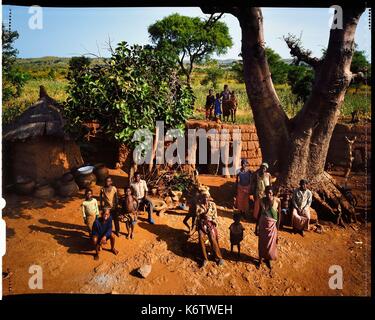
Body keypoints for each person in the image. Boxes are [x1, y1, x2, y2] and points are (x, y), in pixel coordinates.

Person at [196, 191, 224, 267]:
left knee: (212, 237)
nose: (205, 199)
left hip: (211, 223)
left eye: (207, 197)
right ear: (201, 198)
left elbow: (215, 216)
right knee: (201, 238)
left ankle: (218, 257)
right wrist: (201, 224)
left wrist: (213, 223)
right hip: (202, 224)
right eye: (204, 197)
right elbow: (198, 216)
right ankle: (205, 258)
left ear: (209, 198)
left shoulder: (213, 205)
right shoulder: (198, 205)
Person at [257, 186, 281, 270]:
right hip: (263, 223)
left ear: (273, 193)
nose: (268, 195)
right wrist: (257, 226)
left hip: (272, 226)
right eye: (267, 193)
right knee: (262, 242)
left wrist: (277, 228)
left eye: (270, 193)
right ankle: (260, 259)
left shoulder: (277, 201)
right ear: (265, 193)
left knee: (271, 244)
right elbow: (259, 213)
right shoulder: (262, 201)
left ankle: (268, 259)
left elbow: (279, 216)